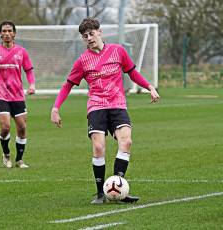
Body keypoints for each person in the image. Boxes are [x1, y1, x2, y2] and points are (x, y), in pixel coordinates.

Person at [50, 18, 160, 204]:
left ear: (99, 32)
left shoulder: (118, 51)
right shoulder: (82, 61)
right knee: (99, 147)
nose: (89, 38)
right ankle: (100, 193)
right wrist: (55, 108)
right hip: (97, 106)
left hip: (117, 104)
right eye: (85, 36)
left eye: (91, 34)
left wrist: (150, 86)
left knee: (126, 142)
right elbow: (67, 85)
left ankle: (118, 189)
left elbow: (132, 72)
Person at [0, 21, 36, 169]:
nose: (7, 33)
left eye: (9, 31)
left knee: (22, 128)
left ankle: (19, 160)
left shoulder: (21, 52)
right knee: (5, 126)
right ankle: (6, 154)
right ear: (0, 34)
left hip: (18, 95)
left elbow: (29, 70)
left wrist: (32, 85)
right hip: (0, 95)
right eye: (4, 31)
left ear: (14, 33)